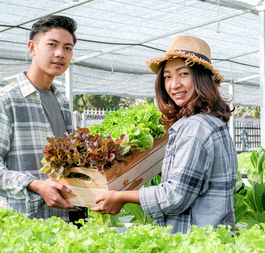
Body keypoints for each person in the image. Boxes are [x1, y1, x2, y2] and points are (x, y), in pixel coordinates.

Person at [91, 35, 238, 234]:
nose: (174, 84)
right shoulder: (212, 122)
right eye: (167, 76)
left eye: (183, 74)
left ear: (202, 78)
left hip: (193, 245)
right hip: (210, 243)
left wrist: (121, 196)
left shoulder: (196, 128)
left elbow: (174, 196)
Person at [0, 15, 87, 224]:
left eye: (67, 48)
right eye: (52, 45)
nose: (60, 54)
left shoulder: (62, 102)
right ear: (32, 47)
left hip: (67, 222)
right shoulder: (6, 99)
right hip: (26, 226)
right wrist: (35, 185)